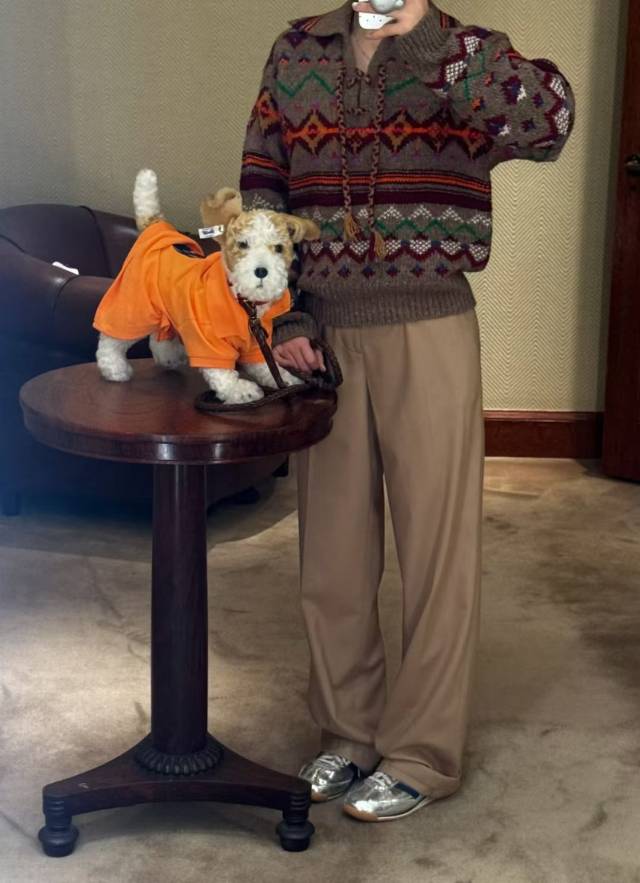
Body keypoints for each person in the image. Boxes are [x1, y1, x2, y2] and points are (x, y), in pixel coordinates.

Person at [239, 0, 575, 822]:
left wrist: (431, 42)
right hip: (322, 335)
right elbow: (263, 190)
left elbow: (550, 123)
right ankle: (347, 732)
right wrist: (285, 316)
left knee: (437, 554)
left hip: (431, 326)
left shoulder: (464, 51)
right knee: (332, 552)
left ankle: (423, 751)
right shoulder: (296, 50)